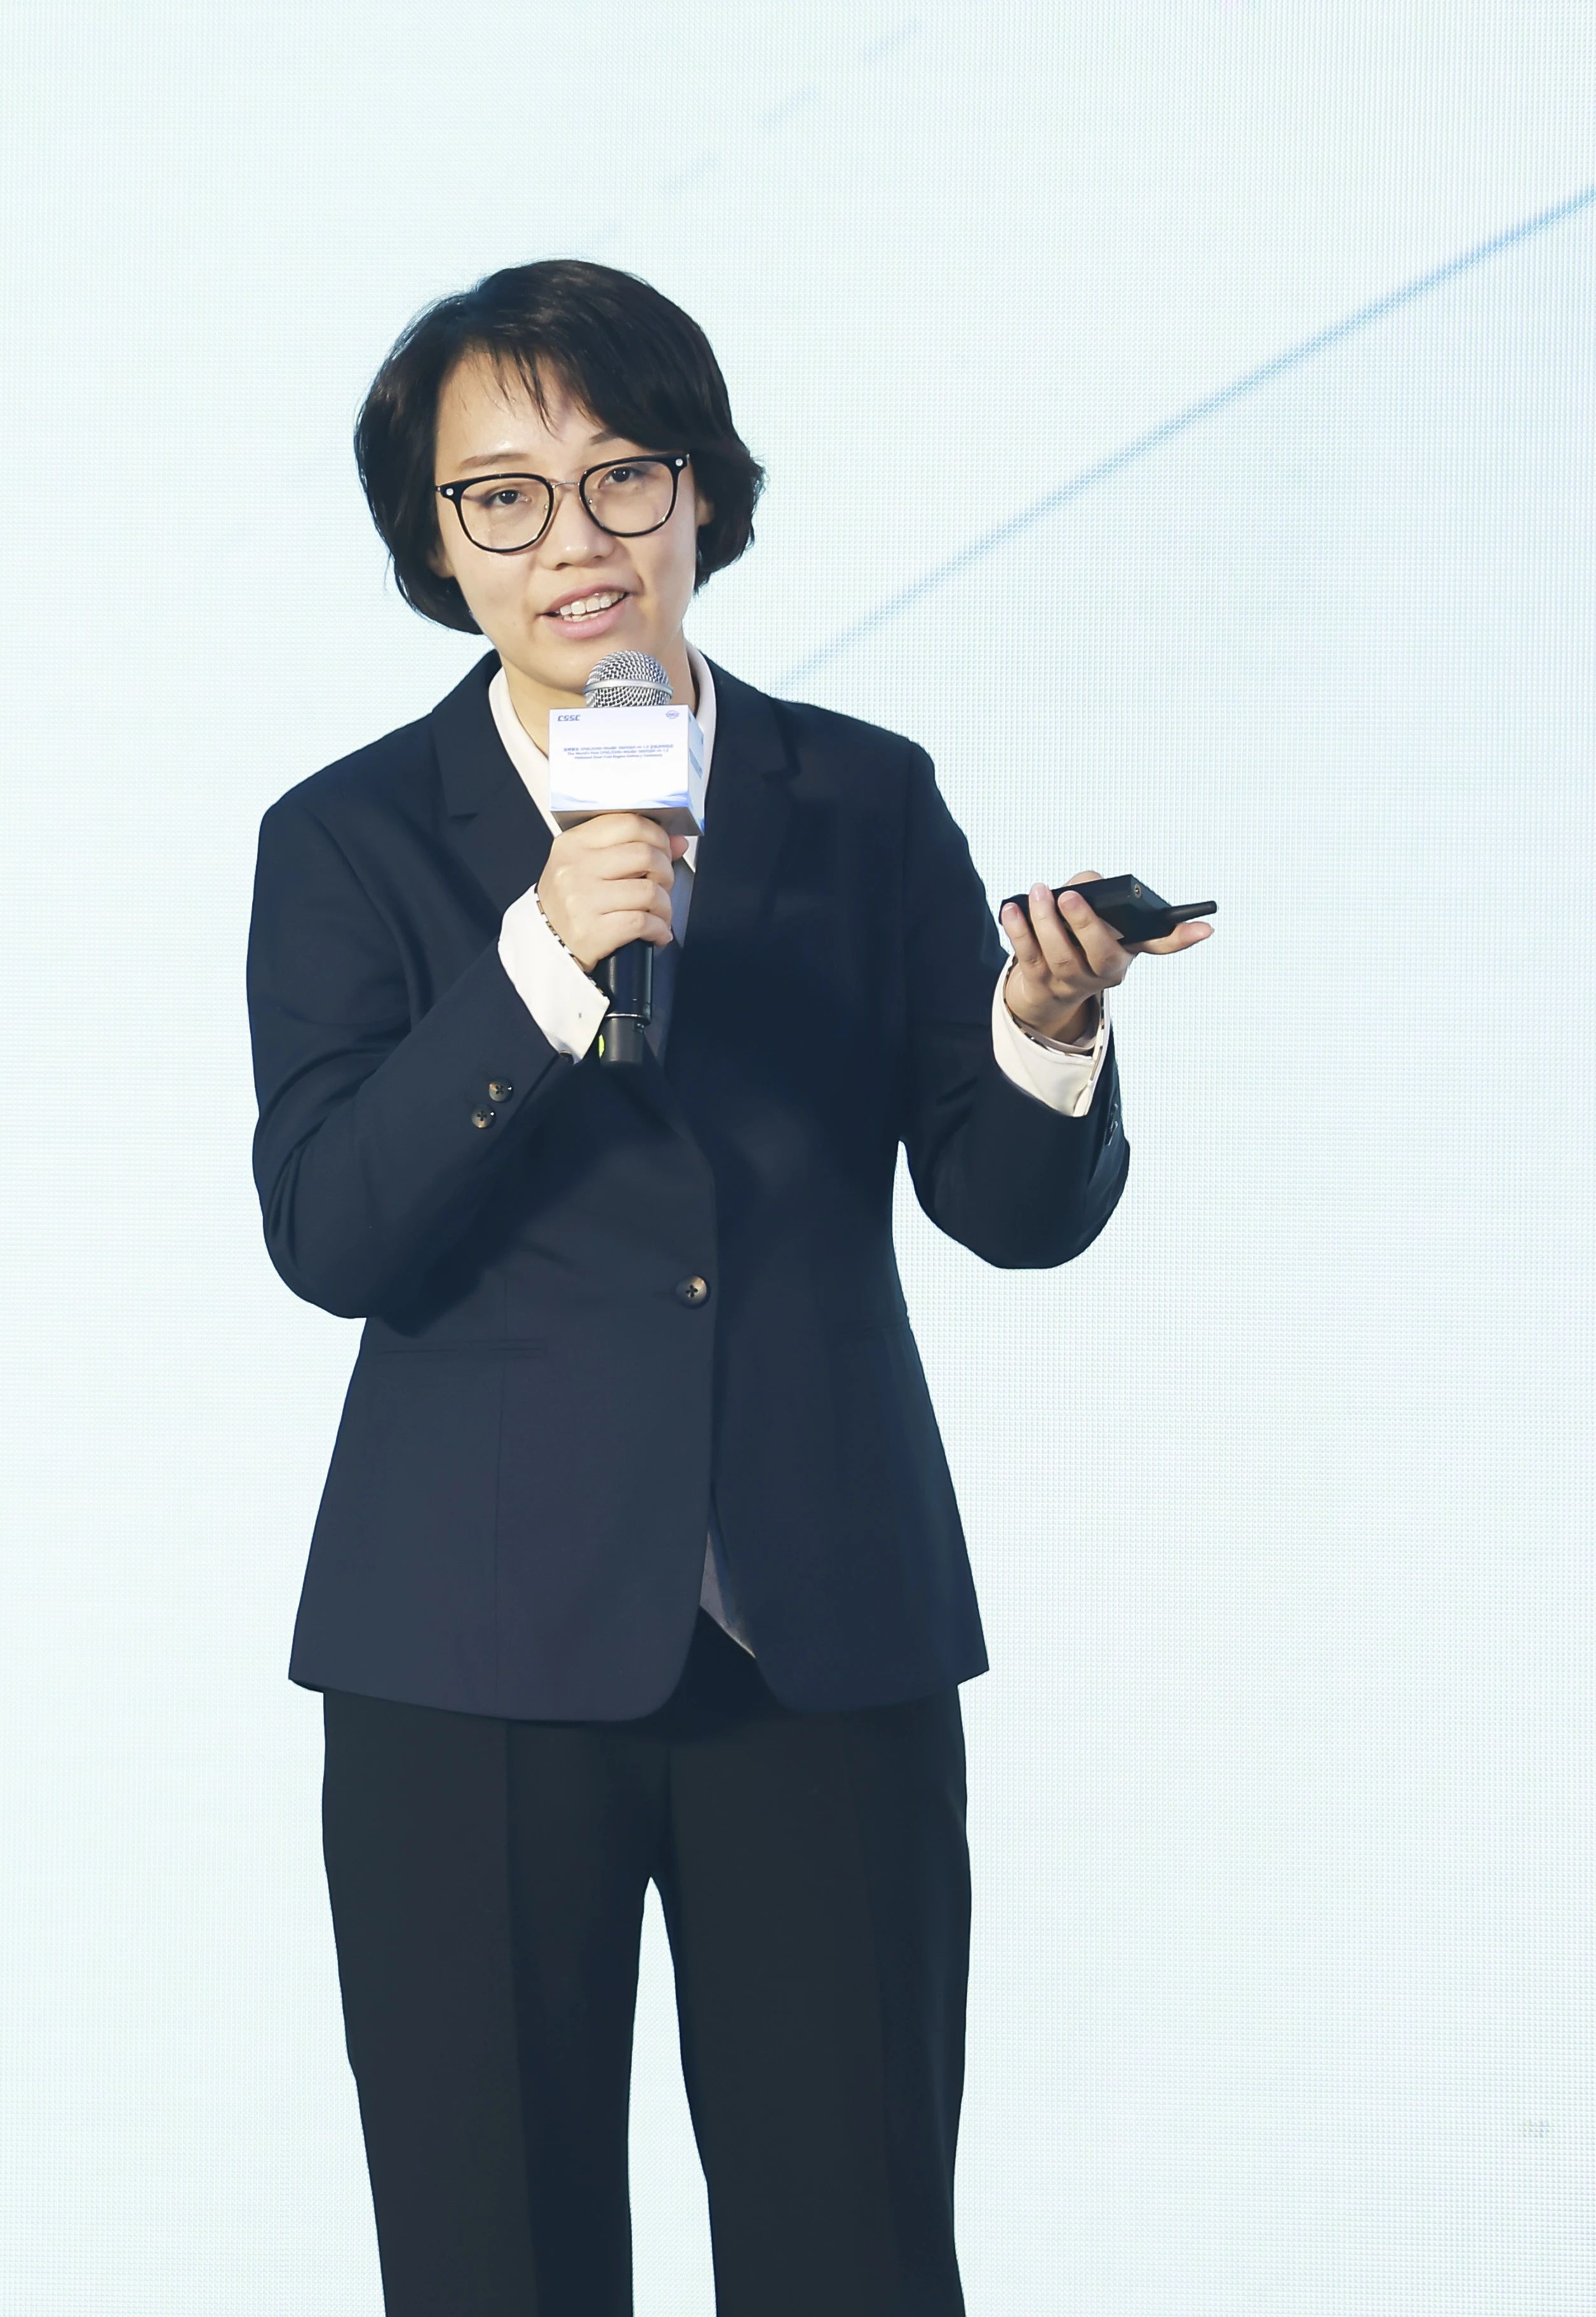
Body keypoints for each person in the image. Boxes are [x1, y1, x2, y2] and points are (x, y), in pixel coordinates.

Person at [245, 259, 1210, 2316]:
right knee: (493, 2267)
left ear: (702, 491)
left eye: (621, 475)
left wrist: (1045, 1028)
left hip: (822, 1638)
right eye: (504, 497)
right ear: (436, 541)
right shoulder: (348, 839)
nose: (573, 539)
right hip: (469, 1659)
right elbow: (331, 1231)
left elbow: (1009, 1208)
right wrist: (538, 956)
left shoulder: (859, 799)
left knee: (856, 2252)